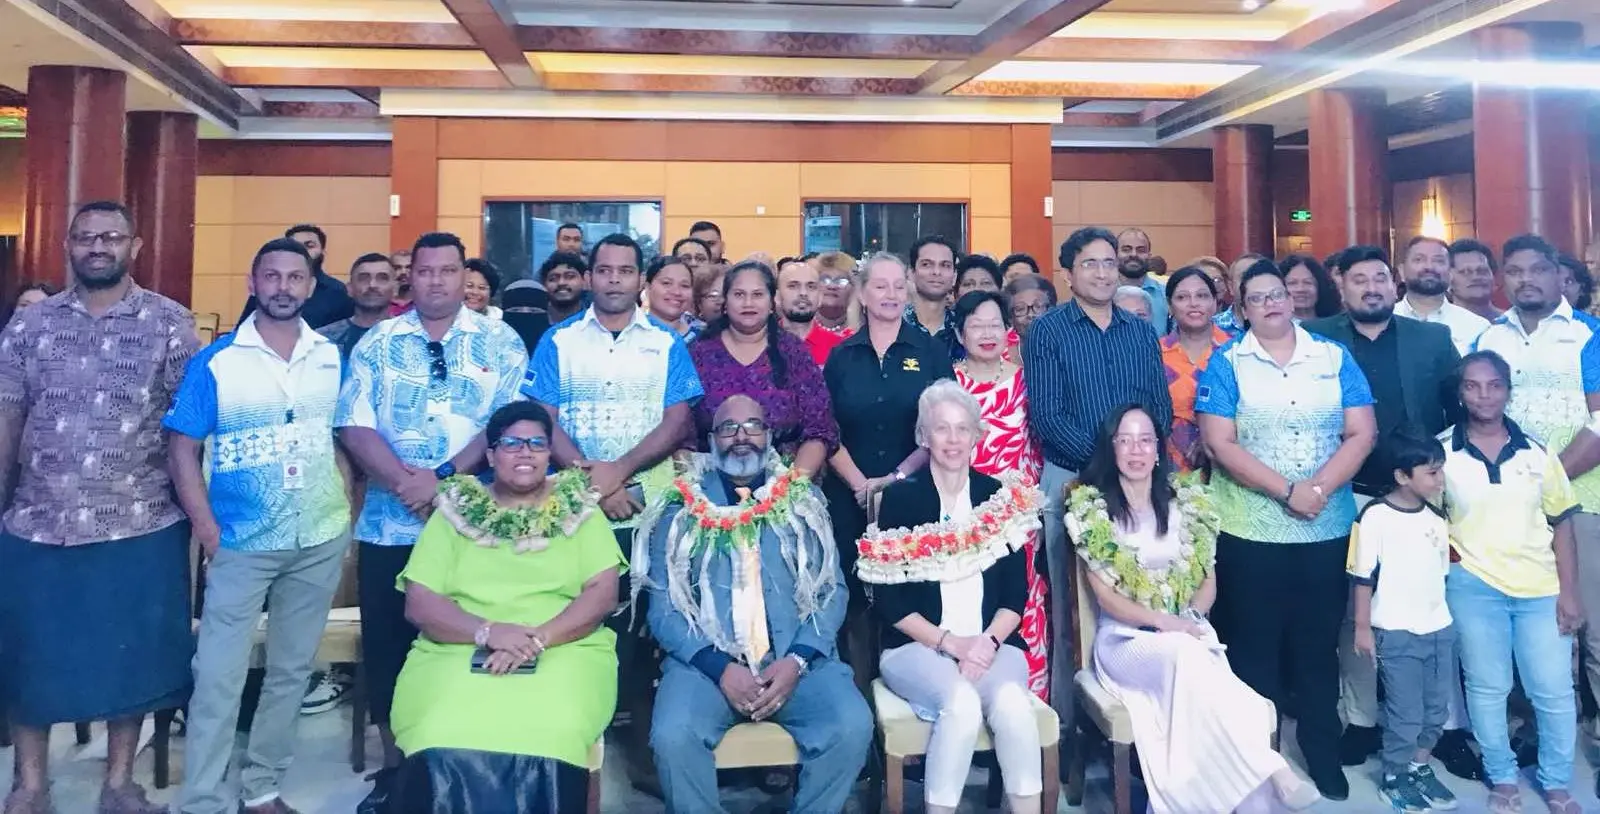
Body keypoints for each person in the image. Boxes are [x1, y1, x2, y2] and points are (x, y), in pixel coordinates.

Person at [0, 200, 199, 814]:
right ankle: (30, 785)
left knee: (131, 661)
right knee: (30, 656)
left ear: (133, 247)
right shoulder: (30, 326)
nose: (97, 247)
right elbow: (8, 417)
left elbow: (186, 431)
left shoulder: (169, 324)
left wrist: (198, 517)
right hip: (38, 520)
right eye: (85, 237)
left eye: (110, 237)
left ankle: (120, 782)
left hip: (139, 521)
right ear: (67, 245)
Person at [335, 231, 529, 812]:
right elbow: (353, 423)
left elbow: (510, 421)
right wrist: (403, 481)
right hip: (389, 525)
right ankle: (399, 770)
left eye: (448, 271)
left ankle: (472, 758)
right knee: (391, 647)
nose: (436, 281)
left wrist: (442, 477)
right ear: (409, 277)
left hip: (477, 524)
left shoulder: (500, 341)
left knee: (476, 637)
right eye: (425, 271)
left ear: (462, 274)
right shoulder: (376, 342)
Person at [166, 238, 353, 814]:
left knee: (292, 670)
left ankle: (262, 787)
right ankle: (200, 798)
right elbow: (181, 448)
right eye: (270, 277)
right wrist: (207, 529)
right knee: (219, 674)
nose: (282, 288)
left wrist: (343, 505)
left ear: (309, 285)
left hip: (318, 538)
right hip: (241, 541)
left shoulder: (329, 354)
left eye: (294, 278)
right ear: (253, 284)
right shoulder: (218, 359)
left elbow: (340, 437)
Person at [1071, 404, 1322, 814]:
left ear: (1158, 449)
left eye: (1145, 440)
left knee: (1244, 704)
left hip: (1185, 632)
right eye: (1125, 440)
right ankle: (1273, 768)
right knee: (1188, 655)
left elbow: (1207, 580)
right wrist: (1163, 622)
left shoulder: (1187, 502)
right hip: (1125, 642)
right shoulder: (1091, 508)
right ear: (1111, 448)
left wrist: (1191, 618)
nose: (1136, 450)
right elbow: (1106, 598)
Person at [1196, 258, 1378, 801]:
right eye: (1259, 297)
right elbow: (1219, 442)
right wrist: (1286, 491)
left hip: (1325, 531)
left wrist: (1317, 490)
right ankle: (1262, 764)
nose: (1273, 303)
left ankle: (1323, 755)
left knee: (1319, 647)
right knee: (1255, 651)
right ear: (1242, 309)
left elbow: (1361, 432)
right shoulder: (1228, 361)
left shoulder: (1332, 356)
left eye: (1279, 294)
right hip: (1250, 532)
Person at [634, 394, 868, 813]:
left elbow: (831, 591)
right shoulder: (677, 509)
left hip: (796, 660)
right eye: (728, 428)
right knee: (673, 735)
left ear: (770, 436)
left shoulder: (803, 501)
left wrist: (797, 659)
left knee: (851, 725)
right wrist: (719, 668)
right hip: (706, 667)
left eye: (753, 426)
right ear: (711, 440)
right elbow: (663, 609)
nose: (742, 437)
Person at [389, 401, 623, 813]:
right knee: (436, 726)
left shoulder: (580, 508)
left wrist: (535, 639)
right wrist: (489, 633)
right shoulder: (454, 511)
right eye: (511, 443)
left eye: (536, 443)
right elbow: (420, 602)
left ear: (550, 453)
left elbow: (602, 594)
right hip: (458, 645)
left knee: (553, 727)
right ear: (491, 454)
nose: (525, 452)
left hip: (564, 647)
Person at [1303, 245, 1472, 776]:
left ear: (1395, 285)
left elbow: (1456, 408)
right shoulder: (1318, 338)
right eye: (1359, 280)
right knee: (1356, 613)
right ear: (1343, 287)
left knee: (1431, 608)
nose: (1371, 287)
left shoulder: (1431, 338)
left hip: (1419, 500)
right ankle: (1361, 720)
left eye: (1380, 278)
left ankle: (1441, 726)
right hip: (1346, 493)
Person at [860, 380, 1045, 814]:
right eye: (941, 429)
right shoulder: (901, 500)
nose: (953, 439)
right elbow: (889, 603)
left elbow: (1015, 595)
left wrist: (986, 643)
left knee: (1015, 705)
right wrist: (951, 643)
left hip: (992, 644)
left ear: (977, 435)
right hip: (917, 648)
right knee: (960, 703)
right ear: (924, 436)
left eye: (963, 429)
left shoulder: (998, 496)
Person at [1024, 226, 1172, 743]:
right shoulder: (1047, 332)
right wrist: (1108, 468)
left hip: (1141, 484)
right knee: (1075, 612)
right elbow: (1047, 416)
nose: (1104, 272)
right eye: (1091, 264)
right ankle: (1072, 730)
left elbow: (1161, 408)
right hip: (1074, 482)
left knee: (1145, 597)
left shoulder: (1138, 330)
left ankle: (1147, 720)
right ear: (1068, 274)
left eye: (1110, 263)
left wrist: (1138, 462)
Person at [1473, 234, 1600, 777]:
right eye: (1515, 271)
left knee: (1593, 627)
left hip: (1583, 500)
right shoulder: (1488, 334)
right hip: (1505, 508)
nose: (1526, 280)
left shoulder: (1589, 334)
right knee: (1522, 622)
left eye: (1537, 270)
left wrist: (1544, 484)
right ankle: (1531, 733)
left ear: (1558, 276)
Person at [1442, 351, 1583, 814]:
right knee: (1487, 687)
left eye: (1494, 385)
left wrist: (1570, 592)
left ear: (1507, 389)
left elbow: (1562, 523)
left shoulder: (1538, 453)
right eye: (1472, 386)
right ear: (1460, 392)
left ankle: (1556, 782)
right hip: (1474, 586)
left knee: (1554, 691)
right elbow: (1427, 517)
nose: (1484, 395)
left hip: (1540, 588)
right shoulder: (1442, 452)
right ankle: (1503, 778)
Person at [1347, 426, 1458, 813]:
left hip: (1438, 628)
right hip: (1395, 632)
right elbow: (1362, 577)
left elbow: (1440, 572)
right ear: (1401, 476)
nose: (1440, 479)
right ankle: (1394, 775)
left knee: (1435, 711)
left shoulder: (1437, 517)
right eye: (1431, 471)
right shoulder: (1375, 517)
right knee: (1405, 712)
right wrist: (1363, 628)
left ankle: (1419, 767)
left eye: (1440, 470)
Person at [951, 292, 1048, 697]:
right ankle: (966, 701)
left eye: (995, 324)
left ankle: (1030, 703)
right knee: (968, 602)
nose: (987, 334)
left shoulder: (1028, 379)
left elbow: (1039, 448)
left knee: (1022, 603)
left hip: (1019, 513)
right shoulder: (949, 384)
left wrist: (1037, 511)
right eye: (976, 325)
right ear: (959, 332)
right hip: (962, 514)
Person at [689, 260, 838, 476]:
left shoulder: (794, 352)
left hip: (786, 484)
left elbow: (820, 429)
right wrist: (699, 493)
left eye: (758, 294)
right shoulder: (699, 353)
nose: (748, 303)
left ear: (772, 303)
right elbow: (681, 432)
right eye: (739, 294)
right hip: (708, 487)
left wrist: (787, 491)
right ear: (725, 302)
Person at [1160, 266, 1229, 474]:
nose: (1193, 303)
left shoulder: (1235, 351)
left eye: (1202, 296)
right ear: (1170, 306)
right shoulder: (1154, 354)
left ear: (1215, 303)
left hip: (1228, 467)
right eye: (1182, 297)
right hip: (1166, 468)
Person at [240, 224, 354, 329]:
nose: (302, 250)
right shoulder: (266, 286)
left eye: (310, 245)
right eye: (295, 245)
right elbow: (243, 328)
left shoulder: (337, 291)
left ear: (322, 251)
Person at [1394, 236, 1491, 354]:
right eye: (1419, 260)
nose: (1429, 267)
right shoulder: (1383, 321)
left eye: (1439, 261)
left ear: (1450, 273)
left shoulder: (1477, 327)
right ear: (1402, 271)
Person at [321, 252, 399, 361]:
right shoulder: (323, 339)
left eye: (382, 278)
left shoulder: (412, 338)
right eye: (363, 278)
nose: (372, 285)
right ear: (349, 288)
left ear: (395, 289)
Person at [776, 258, 844, 366]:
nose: (803, 293)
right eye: (793, 286)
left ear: (820, 297)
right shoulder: (759, 347)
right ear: (777, 297)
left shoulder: (841, 349)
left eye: (811, 287)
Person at [1116, 227, 1168, 331]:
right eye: (1126, 249)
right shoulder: (1101, 294)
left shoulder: (1167, 294)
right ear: (1115, 254)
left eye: (1141, 250)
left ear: (1149, 256)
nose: (1133, 254)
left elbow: (1177, 335)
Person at [906, 235, 959, 337]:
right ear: (911, 273)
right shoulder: (893, 324)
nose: (936, 272)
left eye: (945, 265)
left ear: (954, 276)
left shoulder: (963, 328)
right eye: (926, 264)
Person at [644, 255, 700, 342]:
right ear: (648, 288)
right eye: (666, 283)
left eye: (685, 286)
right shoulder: (629, 334)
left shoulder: (704, 337)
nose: (676, 292)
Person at [1211, 253, 1267, 337]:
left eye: (1258, 276)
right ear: (1230, 287)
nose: (1251, 282)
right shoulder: (1211, 327)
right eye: (1244, 276)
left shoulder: (1285, 325)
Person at [1447, 239, 1501, 322]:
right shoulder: (1438, 328)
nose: (1476, 277)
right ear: (1447, 280)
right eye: (1465, 272)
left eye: (1482, 270)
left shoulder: (1513, 323)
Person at [1003, 273, 1055, 352]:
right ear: (1010, 318)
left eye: (1038, 306)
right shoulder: (999, 354)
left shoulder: (1068, 347)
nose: (1030, 315)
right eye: (1020, 309)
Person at [1282, 253, 1340, 322]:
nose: (1300, 289)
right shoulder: (1273, 328)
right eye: (1292, 283)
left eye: (1308, 282)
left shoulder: (1336, 325)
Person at [815, 250, 859, 335]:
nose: (832, 286)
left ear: (853, 288)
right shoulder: (799, 325)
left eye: (841, 281)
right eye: (825, 279)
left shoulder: (865, 330)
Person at [538, 251, 589, 326]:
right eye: (553, 278)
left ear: (585, 281)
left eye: (570, 276)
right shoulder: (536, 321)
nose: (561, 283)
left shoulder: (596, 321)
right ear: (544, 285)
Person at [388, 249, 413, 316]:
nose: (403, 272)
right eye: (397, 268)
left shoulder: (424, 303)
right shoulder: (382, 303)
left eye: (409, 267)